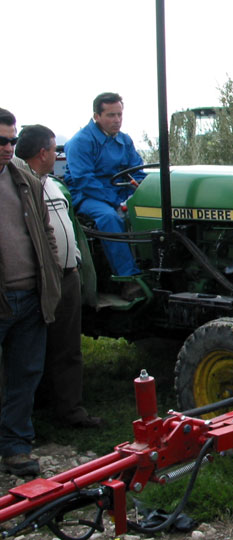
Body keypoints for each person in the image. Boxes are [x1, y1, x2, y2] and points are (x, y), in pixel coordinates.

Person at [13, 125, 102, 429]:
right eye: (54, 149)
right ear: (43, 153)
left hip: (68, 276)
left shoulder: (54, 185)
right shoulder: (17, 185)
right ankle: (28, 415)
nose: (56, 154)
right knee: (29, 351)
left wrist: (76, 263)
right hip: (38, 280)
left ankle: (70, 410)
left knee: (68, 348)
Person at [0, 108, 62, 476]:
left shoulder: (24, 179)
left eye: (11, 140)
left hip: (30, 296)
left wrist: (51, 273)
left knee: (25, 374)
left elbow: (46, 233)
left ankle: (15, 447)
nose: (8, 147)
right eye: (1, 141)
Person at [65, 92, 145, 299]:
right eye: (111, 115)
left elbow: (137, 171)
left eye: (119, 114)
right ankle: (129, 278)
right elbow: (83, 180)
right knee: (109, 217)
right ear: (96, 116)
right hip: (87, 195)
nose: (117, 120)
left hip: (119, 191)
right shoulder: (80, 142)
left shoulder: (124, 140)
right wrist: (116, 201)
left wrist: (139, 191)